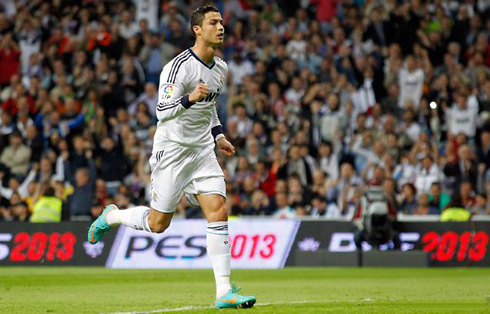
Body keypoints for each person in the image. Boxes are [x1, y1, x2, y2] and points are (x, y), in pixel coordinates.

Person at [87, 5, 256, 309]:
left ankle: (224, 292)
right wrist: (190, 98)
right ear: (197, 29)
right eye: (213, 22)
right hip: (173, 151)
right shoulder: (178, 67)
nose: (221, 27)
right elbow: (161, 112)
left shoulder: (221, 68)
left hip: (203, 149)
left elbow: (211, 105)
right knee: (158, 223)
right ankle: (111, 216)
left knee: (218, 210)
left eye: (221, 22)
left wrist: (219, 136)